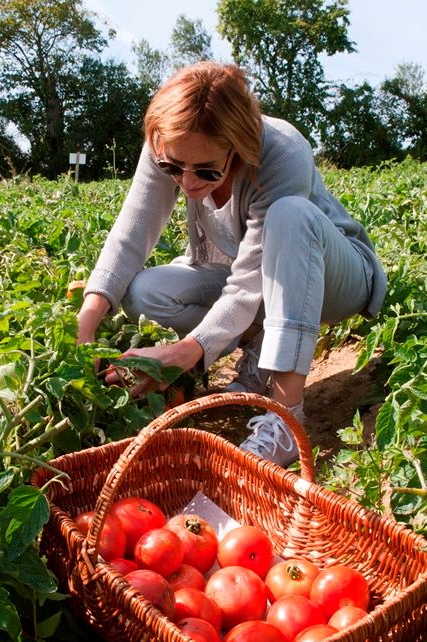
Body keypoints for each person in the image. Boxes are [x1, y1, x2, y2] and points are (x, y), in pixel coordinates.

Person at [76, 62, 386, 467]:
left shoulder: (282, 153)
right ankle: (260, 346)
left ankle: (287, 415)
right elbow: (131, 234)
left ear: (238, 147)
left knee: (289, 215)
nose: (186, 183)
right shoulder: (169, 142)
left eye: (205, 170)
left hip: (331, 280)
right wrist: (83, 329)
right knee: (143, 292)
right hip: (250, 277)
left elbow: (246, 285)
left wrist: (188, 350)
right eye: (173, 168)